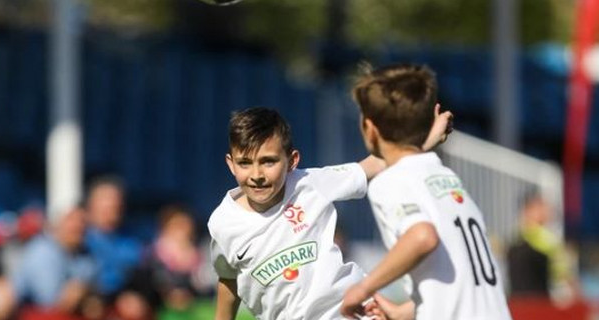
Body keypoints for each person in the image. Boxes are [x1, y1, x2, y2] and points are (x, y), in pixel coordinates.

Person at [208, 106, 451, 320]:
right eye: (245, 163)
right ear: (231, 164)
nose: (257, 174)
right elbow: (228, 278)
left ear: (292, 161)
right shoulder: (223, 224)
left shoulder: (310, 183)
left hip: (352, 312)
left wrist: (427, 138)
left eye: (269, 161)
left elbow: (373, 164)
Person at [341, 63, 512, 319]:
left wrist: (362, 288)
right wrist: (402, 313)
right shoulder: (445, 177)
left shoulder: (391, 182)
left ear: (370, 129)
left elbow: (422, 237)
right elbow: (458, 280)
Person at [13, 206, 96, 315]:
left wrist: (83, 292)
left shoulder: (84, 254)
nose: (78, 225)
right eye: (70, 219)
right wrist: (83, 291)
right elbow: (52, 303)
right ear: (56, 224)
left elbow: (95, 292)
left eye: (82, 221)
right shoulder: (41, 251)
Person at [83, 176, 143, 301]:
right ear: (90, 205)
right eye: (105, 199)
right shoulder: (80, 241)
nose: (112, 204)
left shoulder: (132, 243)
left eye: (115, 200)